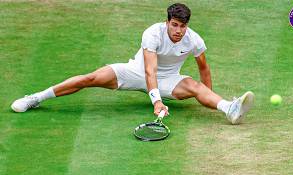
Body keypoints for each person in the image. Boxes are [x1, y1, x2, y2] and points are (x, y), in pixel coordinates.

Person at [11, 3, 254, 125]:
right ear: (167, 22)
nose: (179, 30)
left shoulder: (194, 40)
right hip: (135, 72)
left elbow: (204, 68)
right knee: (90, 78)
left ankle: (228, 108)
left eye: (183, 26)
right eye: (175, 25)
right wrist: (156, 101)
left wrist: (209, 97)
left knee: (194, 85)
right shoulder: (153, 34)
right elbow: (149, 70)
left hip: (169, 79)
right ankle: (36, 98)